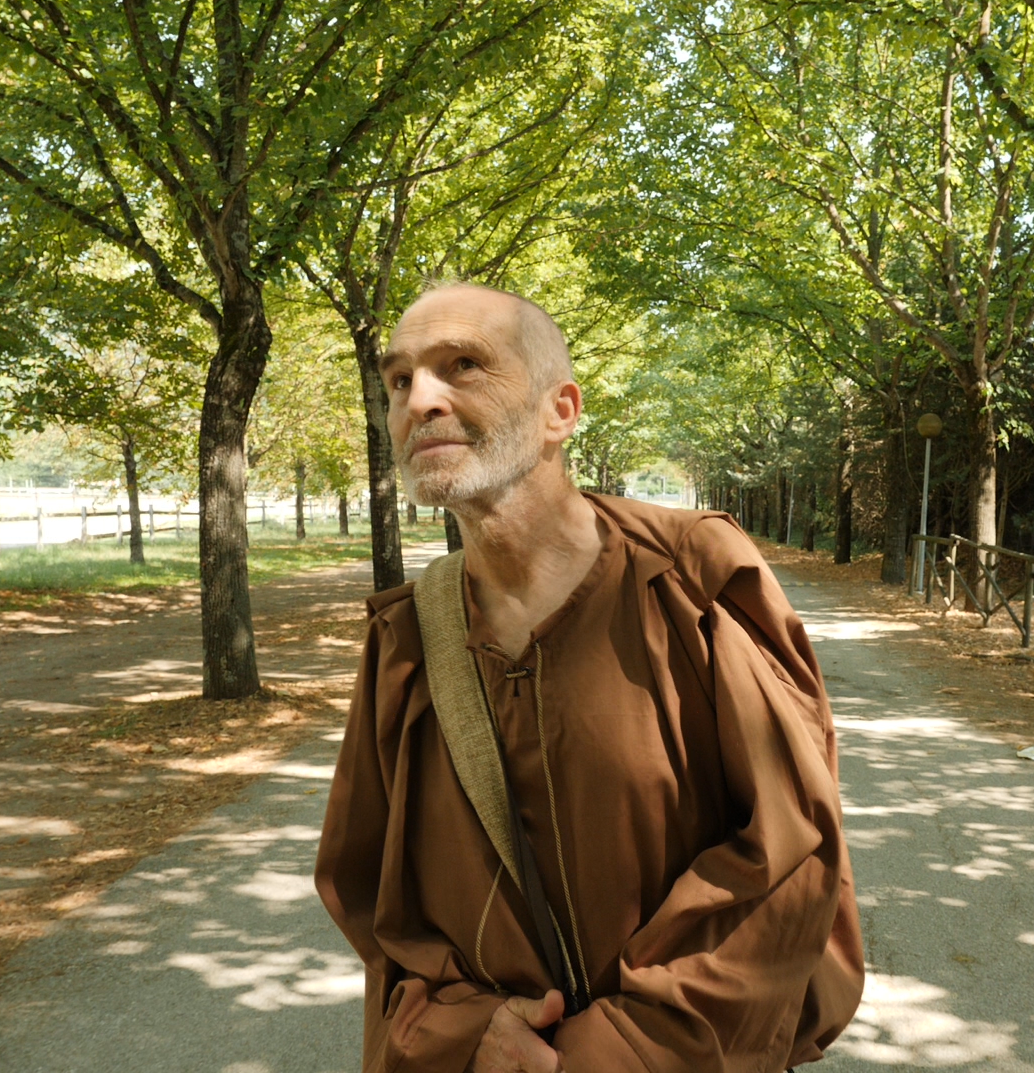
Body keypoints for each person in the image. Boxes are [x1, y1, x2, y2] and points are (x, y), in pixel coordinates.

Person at [314, 283, 863, 1073]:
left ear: (559, 411)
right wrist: (469, 1033)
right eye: (398, 380)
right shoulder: (406, 638)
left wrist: (621, 1049)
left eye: (462, 365)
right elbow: (369, 894)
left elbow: (790, 855)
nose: (419, 400)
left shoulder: (692, 584)